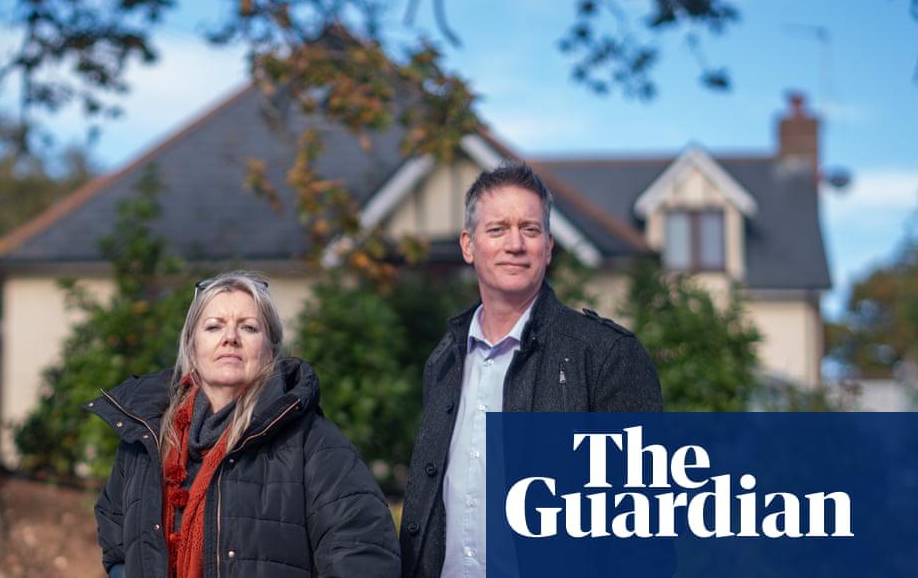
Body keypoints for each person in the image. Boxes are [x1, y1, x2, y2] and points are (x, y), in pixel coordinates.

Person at [398, 164, 664, 577]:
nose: (516, 244)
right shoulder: (443, 361)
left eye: (530, 229)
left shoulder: (607, 355)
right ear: (469, 246)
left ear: (549, 247)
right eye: (498, 229)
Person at [87, 271, 401, 578]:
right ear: (192, 347)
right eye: (213, 327)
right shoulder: (147, 440)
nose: (230, 338)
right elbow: (115, 529)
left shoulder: (314, 443)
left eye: (249, 328)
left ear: (271, 350)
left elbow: (362, 552)